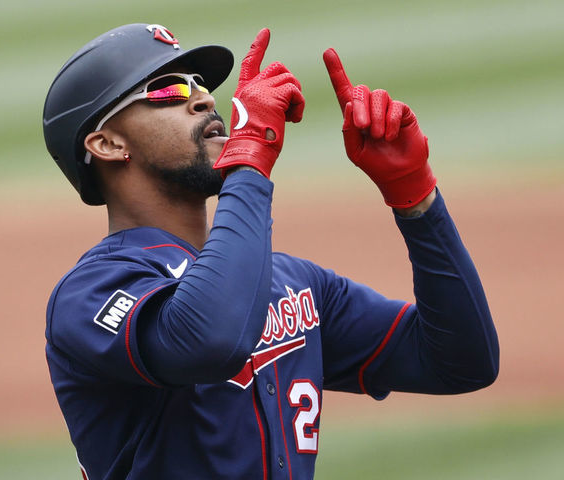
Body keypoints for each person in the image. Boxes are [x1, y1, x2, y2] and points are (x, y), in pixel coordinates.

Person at [42, 23, 499, 480]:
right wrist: (250, 160)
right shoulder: (90, 293)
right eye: (167, 88)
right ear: (108, 143)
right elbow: (211, 340)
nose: (202, 98)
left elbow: (461, 363)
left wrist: (414, 196)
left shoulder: (293, 282)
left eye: (201, 84)